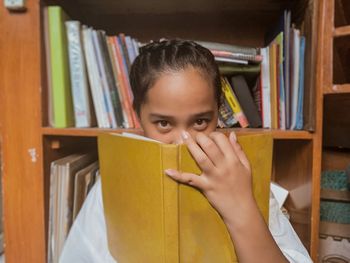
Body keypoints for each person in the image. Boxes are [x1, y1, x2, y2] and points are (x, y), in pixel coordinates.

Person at [60, 39, 312, 262]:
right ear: (138, 116)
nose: (183, 141)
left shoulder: (242, 177)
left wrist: (241, 207)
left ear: (219, 112)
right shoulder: (112, 187)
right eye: (163, 123)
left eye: (200, 121)